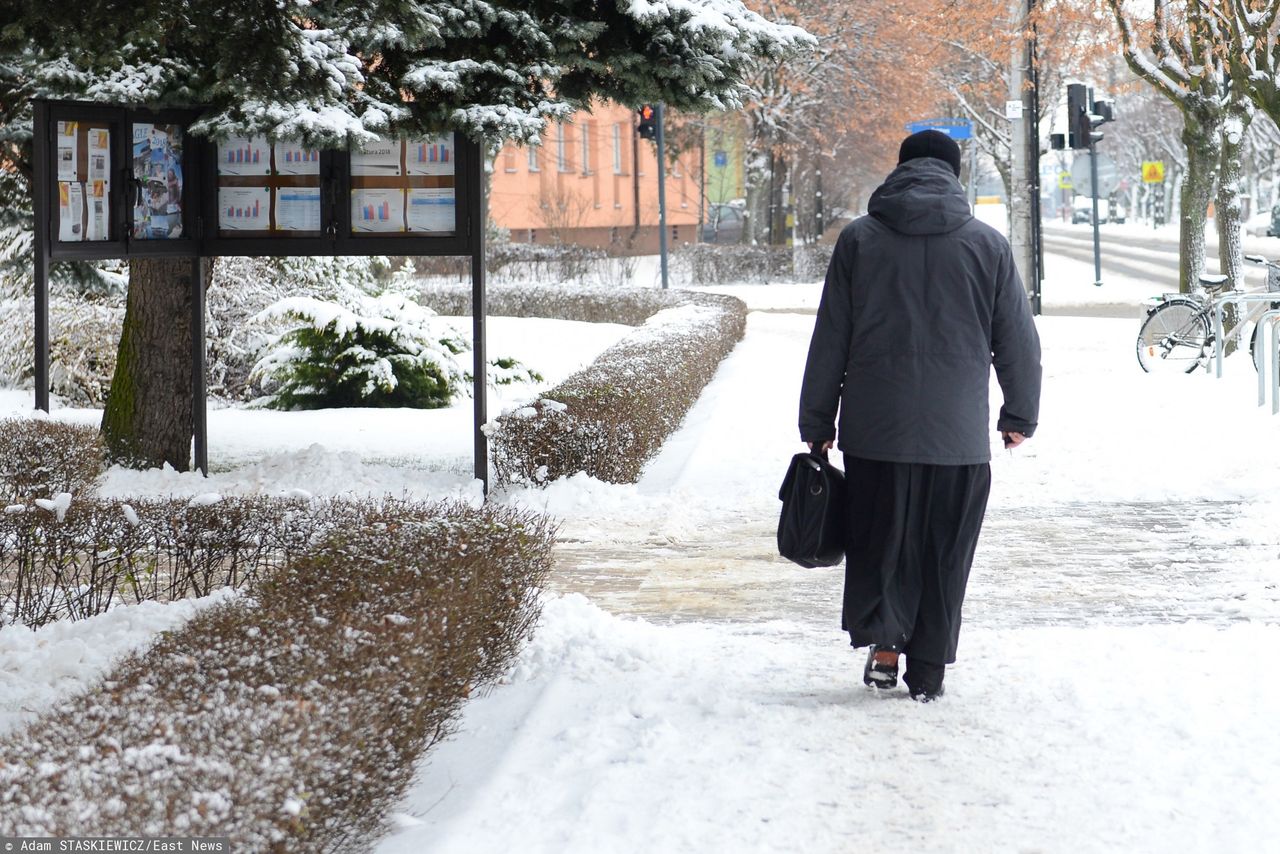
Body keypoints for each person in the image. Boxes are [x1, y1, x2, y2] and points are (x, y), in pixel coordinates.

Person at [798, 129, 1041, 702]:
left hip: (874, 431)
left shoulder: (859, 240)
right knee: (944, 551)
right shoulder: (988, 245)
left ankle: (885, 648)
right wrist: (1019, 413)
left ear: (899, 169)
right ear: (955, 176)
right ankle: (928, 669)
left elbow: (830, 337)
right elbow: (1018, 341)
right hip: (955, 437)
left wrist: (816, 422)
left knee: (882, 541)